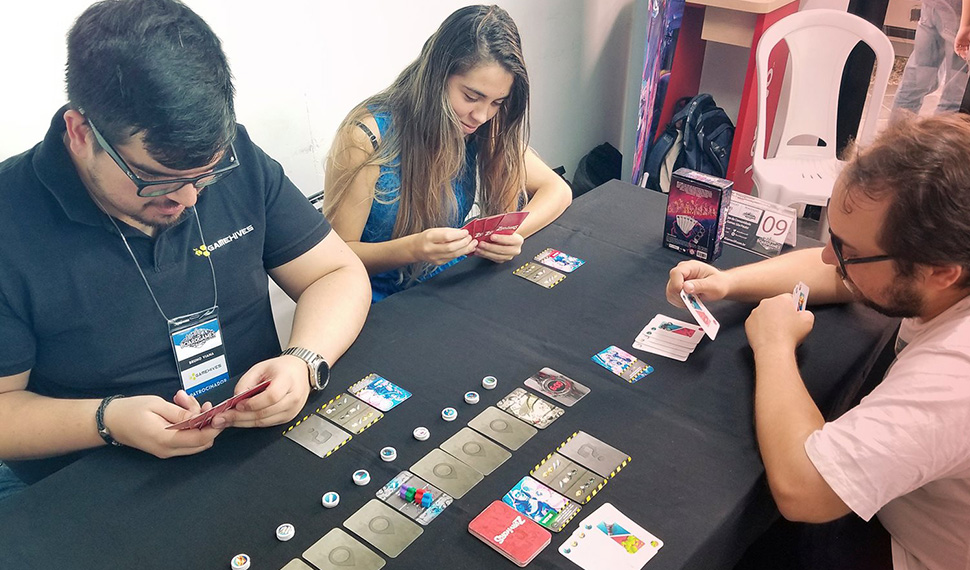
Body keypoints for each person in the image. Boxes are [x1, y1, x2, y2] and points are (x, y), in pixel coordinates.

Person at [0, 0, 371, 493]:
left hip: (255, 443)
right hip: (101, 483)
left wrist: (304, 359)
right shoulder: (10, 219)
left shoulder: (235, 156)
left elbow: (336, 273)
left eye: (207, 175)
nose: (189, 198)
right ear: (81, 133)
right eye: (156, 180)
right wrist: (107, 421)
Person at [666, 114, 970, 570]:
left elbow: (806, 491)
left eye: (848, 250)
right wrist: (726, 283)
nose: (828, 255)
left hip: (908, 550)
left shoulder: (954, 377)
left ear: (940, 272)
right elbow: (837, 271)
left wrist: (774, 345)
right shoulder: (946, 266)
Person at [323, 5, 572, 302]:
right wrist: (413, 249)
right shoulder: (366, 136)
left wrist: (511, 235)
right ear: (437, 76)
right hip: (374, 302)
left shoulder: (482, 125)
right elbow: (334, 259)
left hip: (448, 286)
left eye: (497, 103)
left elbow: (557, 190)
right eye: (471, 96)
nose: (481, 115)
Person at [890, 0, 967, 122]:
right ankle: (941, 135)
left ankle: (895, 133)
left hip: (932, 7)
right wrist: (966, 26)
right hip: (961, 15)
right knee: (953, 100)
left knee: (914, 85)